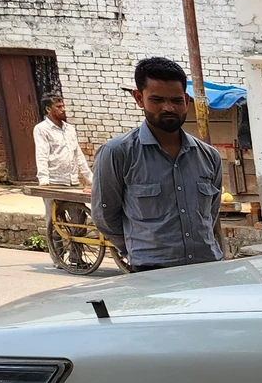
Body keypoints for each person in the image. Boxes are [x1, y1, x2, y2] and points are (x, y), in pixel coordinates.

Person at [91, 57, 225, 273]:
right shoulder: (117, 153)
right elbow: (105, 216)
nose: (168, 108)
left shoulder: (209, 156)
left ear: (187, 101)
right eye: (157, 100)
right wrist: (140, 251)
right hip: (151, 274)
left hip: (207, 270)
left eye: (176, 100)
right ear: (139, 98)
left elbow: (211, 214)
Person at [32, 93, 89, 188]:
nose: (63, 110)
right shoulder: (42, 129)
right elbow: (41, 154)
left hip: (73, 181)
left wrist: (89, 177)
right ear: (48, 109)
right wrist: (43, 179)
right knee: (56, 204)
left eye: (63, 106)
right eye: (58, 107)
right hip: (54, 182)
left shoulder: (69, 129)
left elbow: (78, 154)